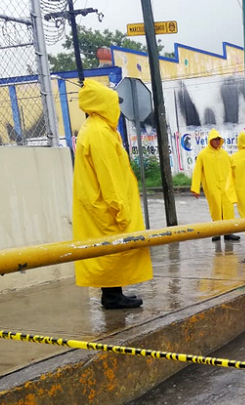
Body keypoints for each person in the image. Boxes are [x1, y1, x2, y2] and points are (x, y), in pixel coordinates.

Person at [72, 79, 152, 309]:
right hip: (106, 205)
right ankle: (112, 296)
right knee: (112, 249)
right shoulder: (100, 133)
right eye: (114, 102)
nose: (117, 107)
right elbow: (109, 177)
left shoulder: (97, 129)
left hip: (99, 203)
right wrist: (120, 209)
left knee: (110, 250)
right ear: (104, 104)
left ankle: (114, 293)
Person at [191, 129, 240, 242]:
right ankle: (216, 232)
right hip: (212, 186)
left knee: (228, 209)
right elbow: (197, 171)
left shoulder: (224, 154)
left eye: (219, 139)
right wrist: (195, 188)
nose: (217, 142)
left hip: (226, 187)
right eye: (215, 140)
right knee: (216, 209)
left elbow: (233, 168)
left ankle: (228, 232)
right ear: (210, 141)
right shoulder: (203, 155)